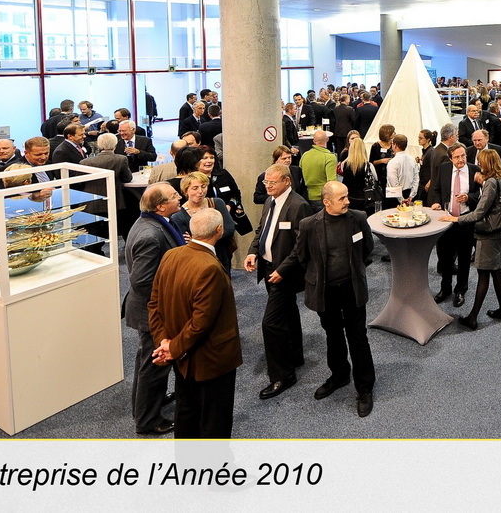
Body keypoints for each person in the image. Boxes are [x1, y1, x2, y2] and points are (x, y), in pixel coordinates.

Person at [148, 208, 242, 438]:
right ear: (219, 230)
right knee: (214, 421)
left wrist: (164, 342)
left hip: (180, 357)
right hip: (210, 360)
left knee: (186, 413)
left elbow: (154, 304)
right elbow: (201, 323)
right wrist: (172, 348)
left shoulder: (171, 255)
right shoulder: (210, 267)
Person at [296, 181, 376, 418]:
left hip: (352, 288)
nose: (347, 201)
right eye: (342, 198)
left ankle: (364, 388)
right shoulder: (309, 225)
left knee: (358, 337)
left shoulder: (358, 218)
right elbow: (303, 256)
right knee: (333, 335)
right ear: (326, 202)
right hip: (325, 291)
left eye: (347, 196)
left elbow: (367, 248)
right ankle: (340, 375)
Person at [245, 163, 313, 399]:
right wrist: (253, 251)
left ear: (287, 181)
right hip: (267, 268)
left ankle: (282, 375)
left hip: (284, 273)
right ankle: (295, 355)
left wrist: (283, 270)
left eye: (272, 182)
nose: (268, 186)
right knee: (288, 311)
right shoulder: (269, 201)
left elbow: (301, 245)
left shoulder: (299, 205)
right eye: (266, 182)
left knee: (270, 323)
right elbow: (262, 230)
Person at [122, 182, 185, 435]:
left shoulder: (153, 223)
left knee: (146, 361)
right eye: (174, 196)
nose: (179, 197)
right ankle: (148, 420)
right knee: (155, 365)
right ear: (160, 206)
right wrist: (167, 305)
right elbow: (142, 282)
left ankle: (143, 408)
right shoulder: (151, 235)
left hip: (149, 311)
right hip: (153, 313)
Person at [440, 148, 501, 329]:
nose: (478, 165)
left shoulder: (491, 183)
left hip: (489, 232)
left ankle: (473, 317)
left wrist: (456, 219)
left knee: (483, 273)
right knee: (496, 270)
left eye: (481, 162)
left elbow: (479, 213)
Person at [430, 142, 480, 308]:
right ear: (451, 159)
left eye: (463, 156)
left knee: (465, 257)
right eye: (457, 157)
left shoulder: (474, 170)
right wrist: (436, 202)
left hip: (466, 220)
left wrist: (469, 197)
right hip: (447, 219)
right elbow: (436, 189)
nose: (461, 160)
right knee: (445, 257)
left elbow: (480, 194)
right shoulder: (444, 168)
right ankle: (445, 289)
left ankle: (460, 290)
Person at [172, 170, 236, 271]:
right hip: (195, 260)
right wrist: (214, 234)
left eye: (203, 186)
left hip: (221, 255)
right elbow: (184, 242)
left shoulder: (217, 203)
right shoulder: (178, 216)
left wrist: (197, 239)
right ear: (186, 191)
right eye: (195, 188)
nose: (200, 191)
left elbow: (229, 229)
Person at [300, 130, 338, 205]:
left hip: (307, 196)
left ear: (314, 141)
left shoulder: (305, 155)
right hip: (323, 198)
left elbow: (300, 175)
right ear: (327, 139)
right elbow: (332, 181)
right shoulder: (330, 157)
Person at [340, 136, 375, 213]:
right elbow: (375, 179)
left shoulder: (343, 164)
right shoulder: (368, 165)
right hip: (364, 198)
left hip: (349, 197)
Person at [384, 133, 417, 209]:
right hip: (409, 194)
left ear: (395, 145)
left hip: (394, 197)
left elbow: (394, 183)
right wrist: (411, 196)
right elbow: (416, 179)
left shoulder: (392, 162)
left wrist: (402, 200)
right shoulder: (412, 160)